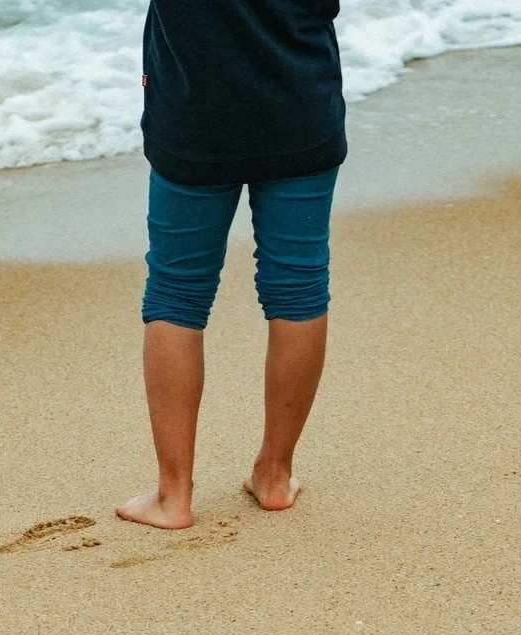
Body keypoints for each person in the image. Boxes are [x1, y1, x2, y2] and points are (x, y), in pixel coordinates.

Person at [115, 0, 347, 530]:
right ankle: (274, 474)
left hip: (195, 113)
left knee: (176, 295)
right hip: (299, 102)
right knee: (298, 287)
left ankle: (173, 496)